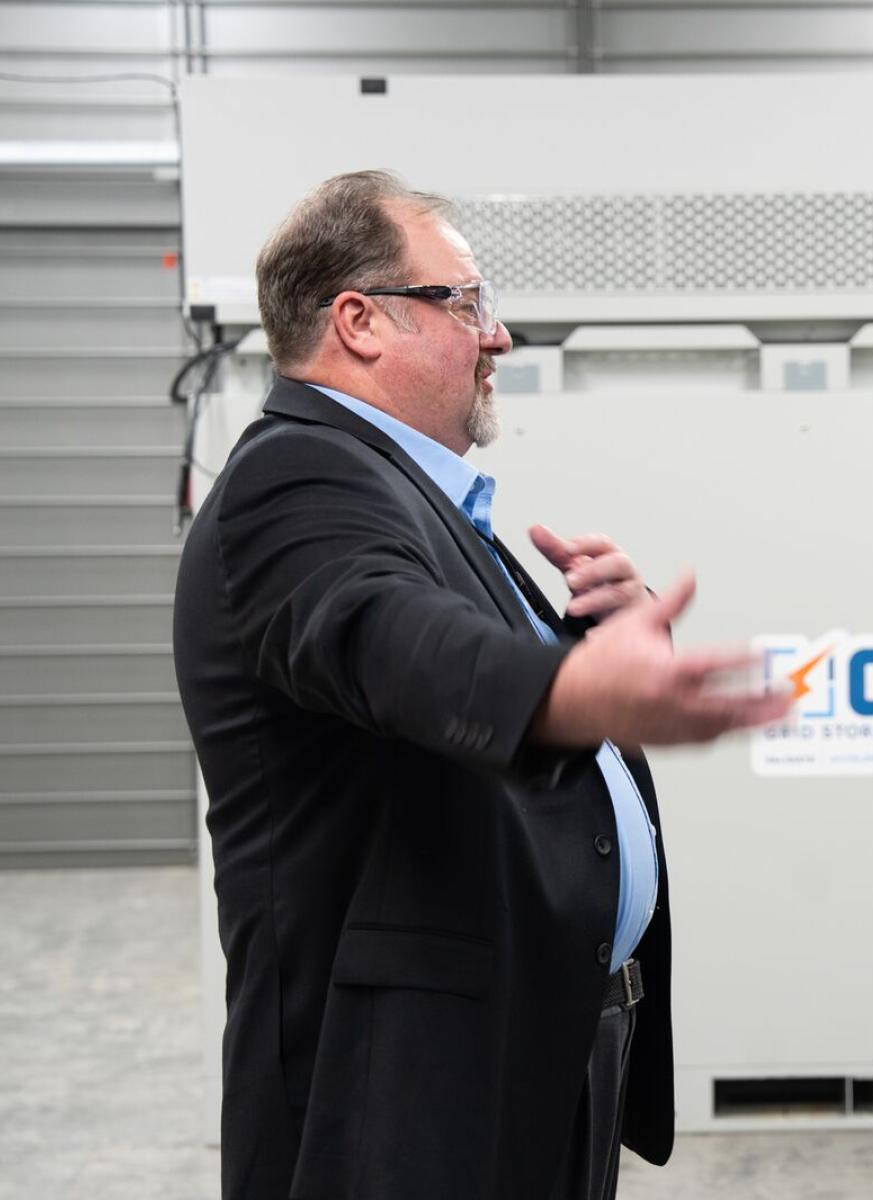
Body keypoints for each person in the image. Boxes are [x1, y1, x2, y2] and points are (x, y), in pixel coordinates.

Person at [173, 170, 791, 1200]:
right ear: (360, 321)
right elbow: (394, 642)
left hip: (524, 1053)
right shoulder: (299, 478)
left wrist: (602, 639)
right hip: (404, 1099)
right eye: (464, 303)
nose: (496, 337)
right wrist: (584, 691)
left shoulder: (407, 492)